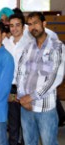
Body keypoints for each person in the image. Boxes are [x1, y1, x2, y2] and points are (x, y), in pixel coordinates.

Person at [16, 12, 65, 145]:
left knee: (49, 142)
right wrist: (21, 96)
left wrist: (31, 97)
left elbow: (55, 78)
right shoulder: (28, 47)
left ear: (44, 24)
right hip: (26, 107)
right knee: (29, 142)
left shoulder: (57, 46)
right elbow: (20, 72)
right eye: (30, 24)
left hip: (45, 108)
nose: (33, 27)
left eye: (36, 23)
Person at [7, 14, 32, 145]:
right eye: (11, 25)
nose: (14, 28)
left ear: (23, 26)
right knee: (13, 122)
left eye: (17, 25)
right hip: (11, 87)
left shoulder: (29, 43)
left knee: (26, 123)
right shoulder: (6, 43)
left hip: (26, 88)